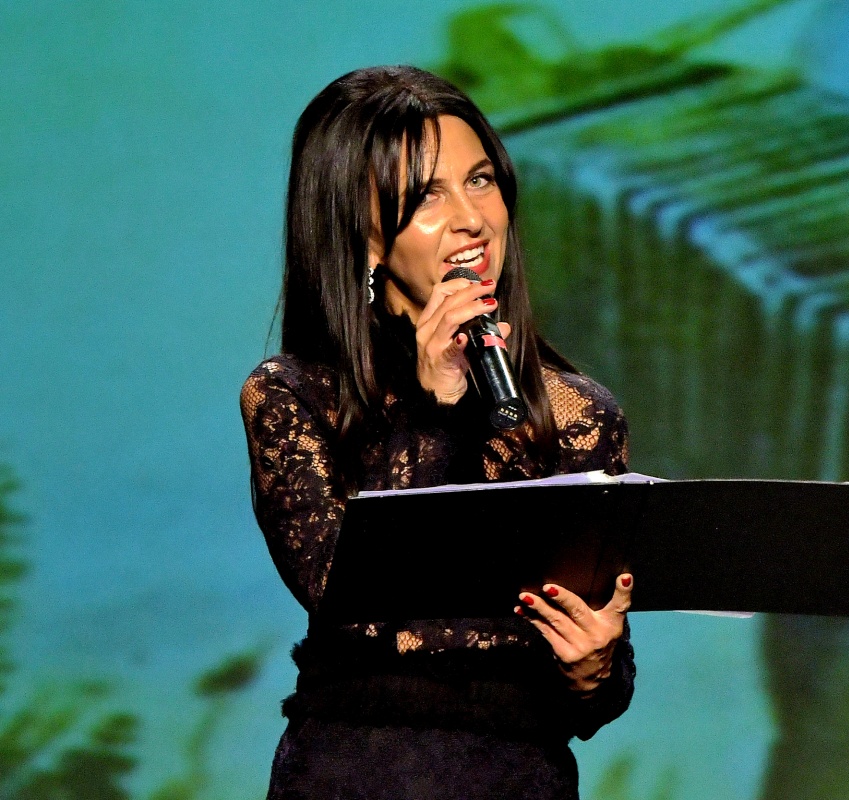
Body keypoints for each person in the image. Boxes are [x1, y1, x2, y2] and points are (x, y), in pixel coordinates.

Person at [239, 65, 635, 799]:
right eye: (426, 196)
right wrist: (434, 409)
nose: (470, 218)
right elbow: (346, 598)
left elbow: (598, 697)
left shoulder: (577, 416)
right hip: (355, 776)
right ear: (363, 238)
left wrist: (594, 669)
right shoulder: (295, 398)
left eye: (480, 181)